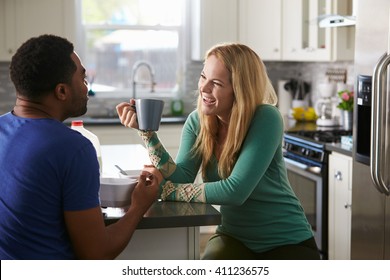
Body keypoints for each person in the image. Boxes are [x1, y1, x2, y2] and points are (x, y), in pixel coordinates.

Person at [116, 43, 320, 260]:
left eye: (216, 83)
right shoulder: (197, 121)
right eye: (204, 77)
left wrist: (164, 191)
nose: (204, 88)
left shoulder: (266, 118)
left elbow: (235, 192)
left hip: (286, 240)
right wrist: (147, 133)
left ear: (239, 90)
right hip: (234, 236)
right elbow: (182, 174)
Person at [0, 34, 160, 260]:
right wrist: (139, 206)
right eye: (82, 79)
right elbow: (96, 253)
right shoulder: (73, 148)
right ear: (62, 91)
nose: (86, 88)